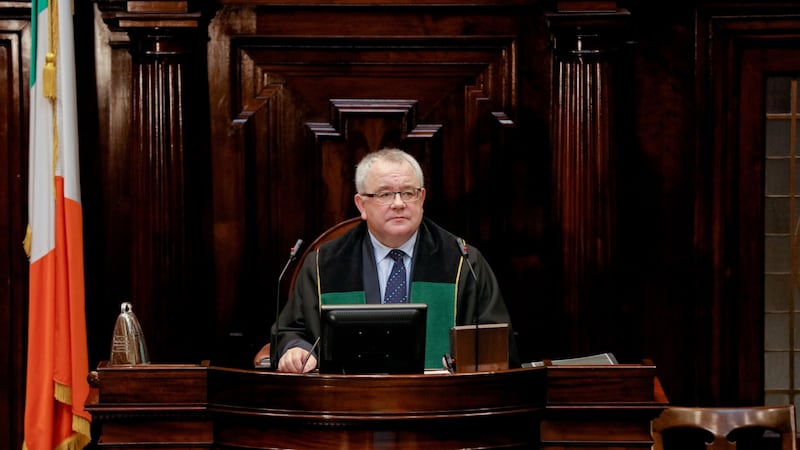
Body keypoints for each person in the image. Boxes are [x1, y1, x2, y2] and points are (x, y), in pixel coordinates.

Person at [254, 148, 518, 373]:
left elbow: (496, 340)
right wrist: (296, 350)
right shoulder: (324, 264)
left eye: (409, 193)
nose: (399, 203)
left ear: (422, 198)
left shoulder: (464, 261)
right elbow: (291, 330)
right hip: (346, 410)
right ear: (361, 205)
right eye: (384, 194)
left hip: (440, 409)